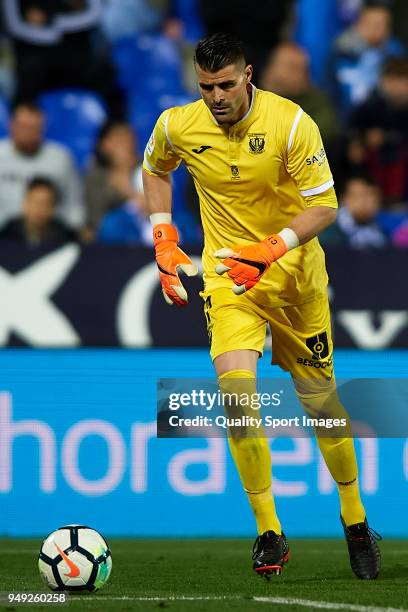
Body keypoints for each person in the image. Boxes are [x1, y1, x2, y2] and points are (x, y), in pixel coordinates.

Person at [143, 33, 381, 579]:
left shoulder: (292, 123)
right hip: (229, 278)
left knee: (322, 405)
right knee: (236, 395)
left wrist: (271, 249)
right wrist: (163, 236)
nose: (217, 97)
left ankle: (354, 519)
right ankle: (269, 532)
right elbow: (155, 168)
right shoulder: (178, 124)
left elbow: (324, 205)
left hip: (294, 279)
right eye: (206, 87)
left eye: (226, 84)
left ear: (248, 75)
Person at [0, 102, 84, 229]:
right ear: (11, 126)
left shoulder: (60, 158)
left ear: (43, 128)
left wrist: (74, 230)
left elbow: (74, 204)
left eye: (34, 128)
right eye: (23, 127)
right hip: (4, 234)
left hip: (50, 234)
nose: (28, 133)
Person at [348, 57, 408, 205]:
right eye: (390, 80)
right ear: (381, 81)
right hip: (375, 165)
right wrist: (357, 143)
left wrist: (386, 138)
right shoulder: (370, 105)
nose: (396, 87)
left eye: (401, 80)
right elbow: (353, 130)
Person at [329, 4, 404, 116]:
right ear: (358, 25)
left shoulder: (397, 58)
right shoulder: (340, 54)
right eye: (371, 24)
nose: (376, 29)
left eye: (381, 24)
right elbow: (330, 92)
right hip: (346, 121)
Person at [261, 42, 339, 147]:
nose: (300, 75)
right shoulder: (247, 96)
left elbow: (325, 132)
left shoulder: (316, 101)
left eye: (304, 70)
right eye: (293, 68)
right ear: (272, 69)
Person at [84, 120, 150, 244]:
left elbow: (156, 208)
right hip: (111, 238)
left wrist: (128, 188)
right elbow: (96, 219)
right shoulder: (95, 176)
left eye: (129, 139)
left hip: (146, 231)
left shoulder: (147, 168)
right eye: (119, 140)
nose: (126, 145)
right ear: (104, 145)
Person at [0, 176, 77, 246]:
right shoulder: (6, 235)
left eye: (45, 203)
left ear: (53, 208)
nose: (39, 208)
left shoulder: (66, 239)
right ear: (25, 204)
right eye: (35, 202)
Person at [319, 176, 387, 248]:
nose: (365, 202)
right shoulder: (328, 230)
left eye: (370, 196)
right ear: (343, 199)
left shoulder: (383, 232)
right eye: (359, 195)